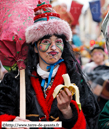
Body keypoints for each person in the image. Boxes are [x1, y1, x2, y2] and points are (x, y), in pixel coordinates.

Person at [0, 1, 100, 129]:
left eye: (58, 42)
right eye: (46, 41)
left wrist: (68, 112)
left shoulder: (75, 80)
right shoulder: (16, 79)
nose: (53, 47)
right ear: (35, 47)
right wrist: (12, 123)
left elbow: (91, 120)